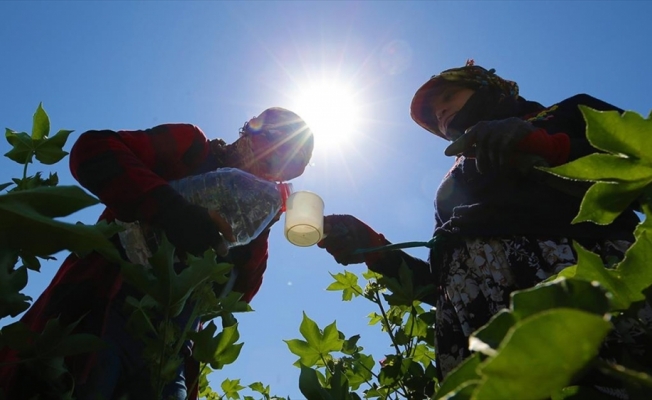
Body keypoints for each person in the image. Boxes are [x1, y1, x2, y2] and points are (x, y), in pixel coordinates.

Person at [318, 60, 649, 396]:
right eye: (433, 114)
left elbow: (642, 163)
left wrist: (545, 146)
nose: (441, 111)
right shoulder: (451, 181)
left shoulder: (567, 112)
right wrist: (376, 249)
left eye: (448, 95)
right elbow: (442, 284)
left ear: (490, 87)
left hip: (578, 297)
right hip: (480, 336)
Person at [0, 107, 314, 399]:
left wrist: (261, 226)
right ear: (252, 131)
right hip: (95, 310)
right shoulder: (192, 149)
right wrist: (172, 210)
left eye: (286, 171)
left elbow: (236, 298)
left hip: (167, 352)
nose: (273, 173)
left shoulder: (254, 230)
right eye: (277, 155)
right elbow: (92, 150)